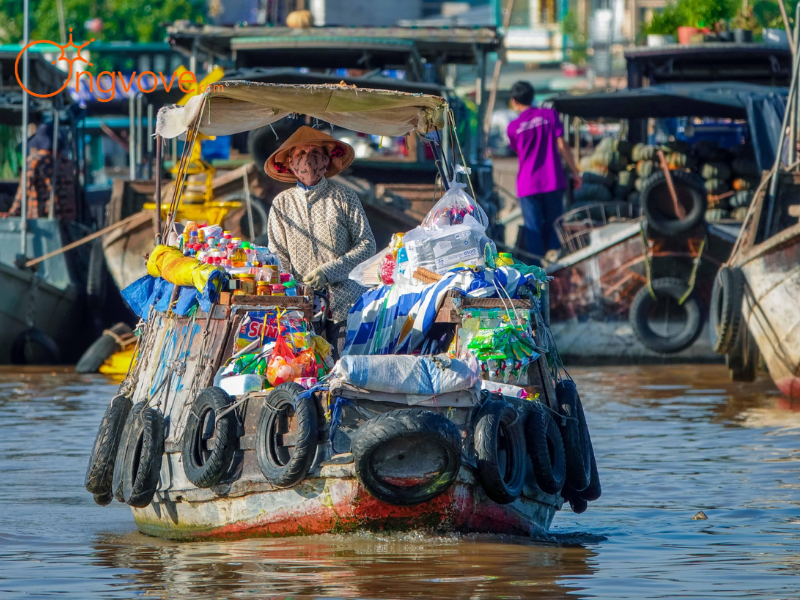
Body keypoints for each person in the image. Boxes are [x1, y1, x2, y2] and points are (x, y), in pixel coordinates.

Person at [265, 126, 376, 356]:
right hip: (303, 305)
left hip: (346, 302)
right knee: (304, 369)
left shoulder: (344, 196)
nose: (308, 160)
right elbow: (277, 254)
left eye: (315, 153)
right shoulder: (281, 204)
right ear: (291, 163)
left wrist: (329, 271)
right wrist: (293, 288)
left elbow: (367, 245)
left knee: (346, 370)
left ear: (326, 160)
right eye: (301, 154)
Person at [507, 81, 580, 263]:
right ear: (532, 97)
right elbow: (562, 145)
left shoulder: (513, 127)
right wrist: (576, 172)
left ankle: (536, 276)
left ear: (514, 101)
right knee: (554, 227)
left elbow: (519, 152)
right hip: (553, 181)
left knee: (533, 231)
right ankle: (555, 270)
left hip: (527, 185)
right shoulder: (549, 115)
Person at [1, 122, 76, 222]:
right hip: (66, 217)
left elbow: (24, 190)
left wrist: (12, 213)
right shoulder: (66, 162)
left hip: (41, 217)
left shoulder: (34, 161)